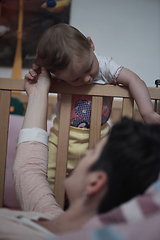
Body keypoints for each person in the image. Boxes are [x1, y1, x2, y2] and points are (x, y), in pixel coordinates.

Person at [0, 68, 159, 239]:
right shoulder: (50, 216)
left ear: (95, 182)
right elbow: (28, 170)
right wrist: (38, 92)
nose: (88, 151)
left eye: (94, 152)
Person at [25, 23, 160, 192]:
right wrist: (37, 72)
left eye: (89, 68)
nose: (87, 79)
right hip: (61, 138)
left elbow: (134, 80)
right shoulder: (57, 72)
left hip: (99, 140)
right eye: (75, 80)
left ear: (91, 45)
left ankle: (92, 211)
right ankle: (51, 208)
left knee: (102, 179)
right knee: (48, 175)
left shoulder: (105, 67)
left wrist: (147, 113)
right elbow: (41, 76)